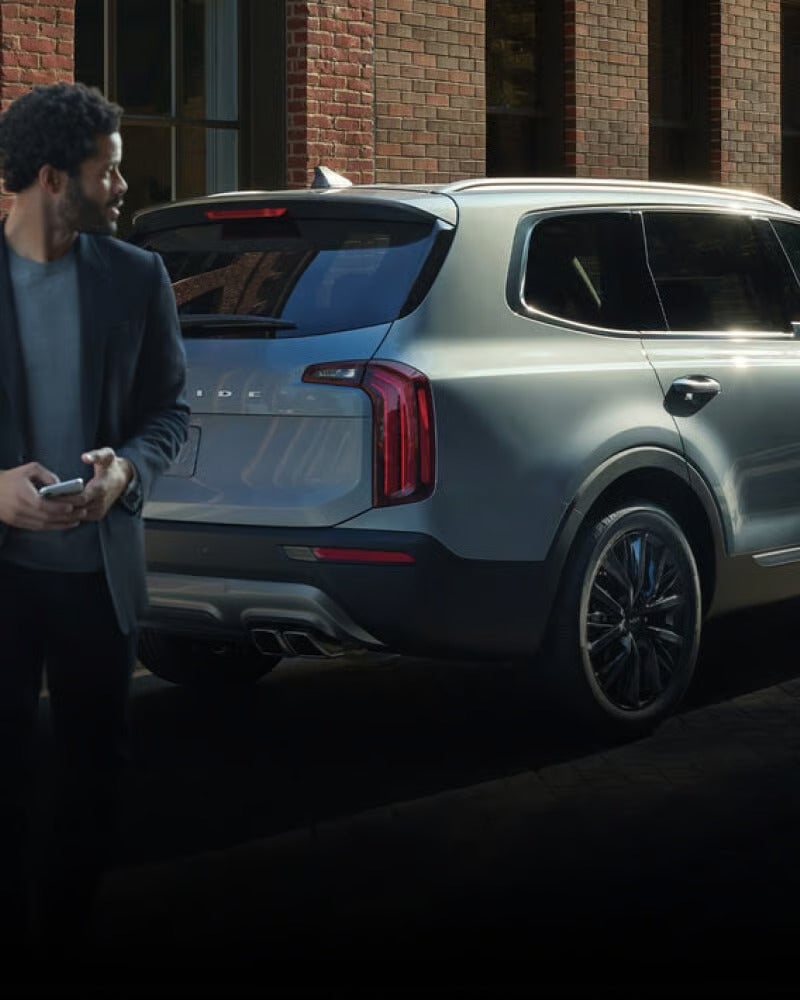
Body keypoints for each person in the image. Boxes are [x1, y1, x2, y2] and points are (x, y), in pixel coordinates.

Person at [0, 81, 189, 976]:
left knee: (92, 773)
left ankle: (63, 942)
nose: (123, 187)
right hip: (4, 577)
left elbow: (170, 411)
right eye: (107, 171)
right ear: (51, 178)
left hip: (97, 577)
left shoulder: (136, 277)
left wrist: (128, 472)